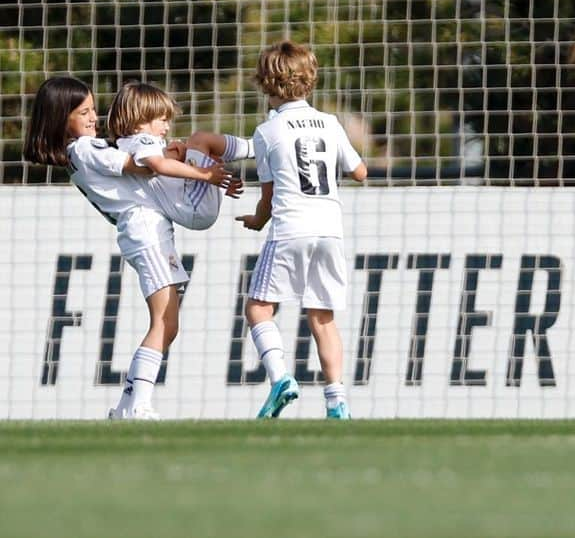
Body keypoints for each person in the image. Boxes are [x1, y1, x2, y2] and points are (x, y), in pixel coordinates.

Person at [23, 76, 249, 420]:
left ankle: (127, 406)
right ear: (60, 116)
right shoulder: (84, 149)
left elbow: (140, 162)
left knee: (167, 323)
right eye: (83, 112)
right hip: (146, 232)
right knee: (164, 321)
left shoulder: (86, 152)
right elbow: (143, 167)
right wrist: (204, 175)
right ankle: (139, 405)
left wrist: (168, 152)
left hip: (149, 231)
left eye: (94, 110)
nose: (93, 118)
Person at [236, 40, 367, 419]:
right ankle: (337, 402)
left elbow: (269, 193)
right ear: (309, 81)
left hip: (292, 226)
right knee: (322, 317)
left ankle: (280, 378)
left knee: (259, 309)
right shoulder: (330, 123)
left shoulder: (267, 131)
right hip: (329, 228)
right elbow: (359, 172)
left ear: (265, 84)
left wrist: (258, 220)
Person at [107, 81, 248, 230]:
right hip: (191, 206)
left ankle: (248, 151)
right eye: (163, 120)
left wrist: (220, 185)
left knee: (202, 151)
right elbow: (160, 166)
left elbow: (165, 176)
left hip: (191, 208)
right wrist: (206, 174)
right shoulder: (141, 141)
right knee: (199, 139)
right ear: (140, 121)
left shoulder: (133, 145)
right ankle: (252, 148)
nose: (167, 127)